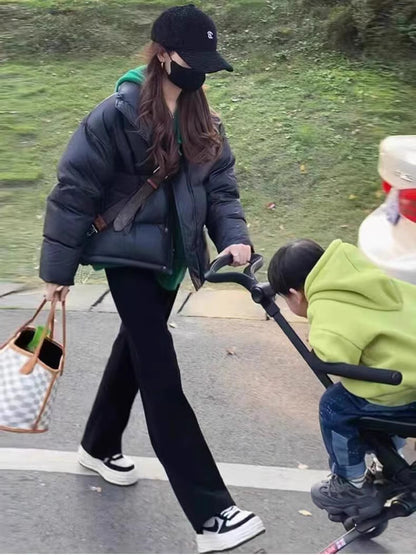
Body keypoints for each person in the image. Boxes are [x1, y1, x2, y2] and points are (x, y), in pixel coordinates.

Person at [39, 5, 265, 553]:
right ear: (162, 54)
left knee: (135, 351)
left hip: (172, 259)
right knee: (160, 373)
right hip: (128, 257)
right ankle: (212, 515)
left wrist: (233, 235)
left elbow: (221, 188)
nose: (203, 72)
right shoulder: (115, 114)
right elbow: (74, 189)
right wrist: (56, 272)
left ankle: (97, 443)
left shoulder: (200, 114)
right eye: (195, 59)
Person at [267, 238, 416, 519]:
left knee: (335, 405)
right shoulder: (360, 273)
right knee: (367, 396)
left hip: (402, 387)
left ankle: (351, 483)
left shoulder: (329, 302)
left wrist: (317, 339)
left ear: (294, 295)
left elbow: (334, 355)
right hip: (410, 368)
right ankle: (390, 461)